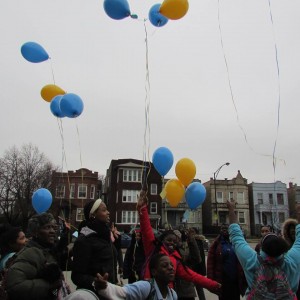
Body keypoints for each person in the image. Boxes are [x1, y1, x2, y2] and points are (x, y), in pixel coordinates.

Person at [136, 191, 221, 295]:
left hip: (167, 294)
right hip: (150, 292)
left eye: (175, 241)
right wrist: (143, 208)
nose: (172, 243)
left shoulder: (176, 260)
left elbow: (193, 275)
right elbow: (146, 229)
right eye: (169, 240)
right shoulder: (153, 249)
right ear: (162, 240)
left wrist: (212, 285)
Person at [227, 200, 300, 298]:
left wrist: (231, 210)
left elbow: (236, 237)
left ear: (261, 247)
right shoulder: (291, 262)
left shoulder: (252, 261)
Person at [5, 213, 71, 300]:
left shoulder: (46, 250)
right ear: (35, 232)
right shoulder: (30, 253)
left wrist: (61, 288)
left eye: (53, 227)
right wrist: (50, 285)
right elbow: (15, 286)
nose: (52, 231)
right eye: (47, 227)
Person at [71, 198, 118, 296]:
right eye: (104, 210)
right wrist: (94, 282)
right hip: (92, 295)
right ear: (93, 215)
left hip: (109, 293)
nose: (108, 212)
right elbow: (76, 276)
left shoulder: (105, 236)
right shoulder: (84, 240)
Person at [94, 253, 178, 300]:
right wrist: (104, 287)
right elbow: (122, 292)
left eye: (171, 265)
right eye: (165, 265)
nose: (171, 268)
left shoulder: (173, 294)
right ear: (154, 272)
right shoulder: (146, 287)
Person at [207, 223, 247, 300]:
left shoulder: (237, 242)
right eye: (222, 229)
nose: (224, 230)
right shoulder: (216, 244)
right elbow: (210, 263)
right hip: (222, 280)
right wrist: (210, 279)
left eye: (226, 228)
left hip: (236, 279)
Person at [174, 228, 199, 300]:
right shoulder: (166, 250)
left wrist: (192, 240)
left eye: (177, 237)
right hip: (173, 289)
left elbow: (196, 259)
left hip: (186, 290)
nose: (174, 241)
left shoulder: (185, 249)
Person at [188, 227, 207, 300]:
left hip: (197, 269)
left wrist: (202, 271)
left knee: (199, 288)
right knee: (190, 289)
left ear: (196, 232)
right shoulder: (188, 241)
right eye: (189, 231)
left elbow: (200, 257)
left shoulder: (198, 241)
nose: (190, 233)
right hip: (191, 268)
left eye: (192, 231)